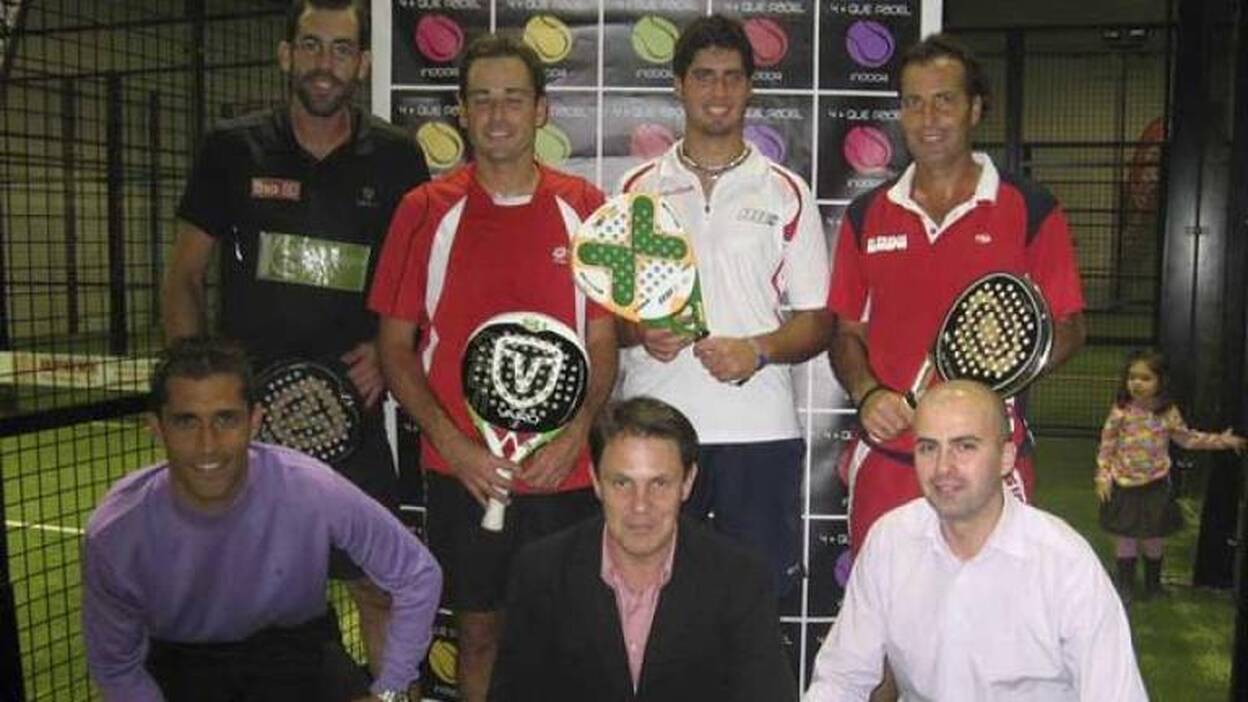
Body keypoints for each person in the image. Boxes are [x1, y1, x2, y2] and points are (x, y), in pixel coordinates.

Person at [161, 0, 430, 672]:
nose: (324, 63)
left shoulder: (398, 158)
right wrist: (198, 388)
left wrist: (386, 351)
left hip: (352, 420)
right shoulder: (232, 148)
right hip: (248, 424)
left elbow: (423, 281)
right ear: (286, 55)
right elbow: (184, 276)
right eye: (310, 45)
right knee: (241, 596)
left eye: (341, 49)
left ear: (362, 64)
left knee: (380, 586)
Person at [368, 35, 617, 702]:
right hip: (463, 475)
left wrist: (575, 435)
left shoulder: (585, 206)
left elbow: (602, 343)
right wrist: (457, 449)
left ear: (542, 110)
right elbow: (395, 349)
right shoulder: (424, 211)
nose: (497, 115)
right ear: (461, 111)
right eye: (481, 100)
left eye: (513, 99)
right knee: (478, 637)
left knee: (568, 638)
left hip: (564, 473)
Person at [827, 33, 1088, 554]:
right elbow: (845, 334)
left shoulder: (1030, 208)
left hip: (986, 465)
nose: (928, 118)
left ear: (975, 108)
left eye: (944, 100)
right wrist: (867, 393)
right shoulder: (866, 214)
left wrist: (997, 379)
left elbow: (1068, 327)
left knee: (991, 603)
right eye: (913, 102)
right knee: (885, 602)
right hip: (888, 460)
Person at [82, 337, 441, 702]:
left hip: (295, 653)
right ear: (158, 428)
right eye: (186, 422)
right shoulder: (116, 531)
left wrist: (390, 692)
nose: (208, 445)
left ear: (255, 422)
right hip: (181, 663)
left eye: (226, 419)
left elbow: (417, 574)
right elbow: (116, 666)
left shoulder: (310, 488)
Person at [615, 15, 833, 598]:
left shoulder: (786, 190)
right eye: (704, 76)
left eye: (733, 77)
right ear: (679, 85)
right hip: (656, 428)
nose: (719, 91)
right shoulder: (637, 188)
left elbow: (817, 321)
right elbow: (609, 317)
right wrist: (640, 331)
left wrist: (758, 350)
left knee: (755, 603)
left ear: (750, 86)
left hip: (758, 431)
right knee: (653, 601)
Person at [804, 380, 1147, 701]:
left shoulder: (1064, 564)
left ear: (1006, 458)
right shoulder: (891, 541)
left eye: (965, 446)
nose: (943, 468)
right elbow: (841, 677)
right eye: (928, 448)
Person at [489, 397, 797, 702]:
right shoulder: (541, 572)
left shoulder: (739, 578)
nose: (640, 506)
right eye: (622, 483)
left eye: (659, 484)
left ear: (687, 482)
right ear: (596, 481)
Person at [1096, 348, 1246, 605]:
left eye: (1145, 378)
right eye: (1132, 377)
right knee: (1126, 536)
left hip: (1156, 486)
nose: (1137, 383)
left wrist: (1222, 441)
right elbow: (1107, 446)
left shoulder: (1167, 413)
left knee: (1153, 537)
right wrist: (1103, 477)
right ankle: (1125, 586)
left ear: (1160, 382)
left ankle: (1153, 585)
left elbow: (1187, 439)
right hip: (1124, 485)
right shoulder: (1121, 411)